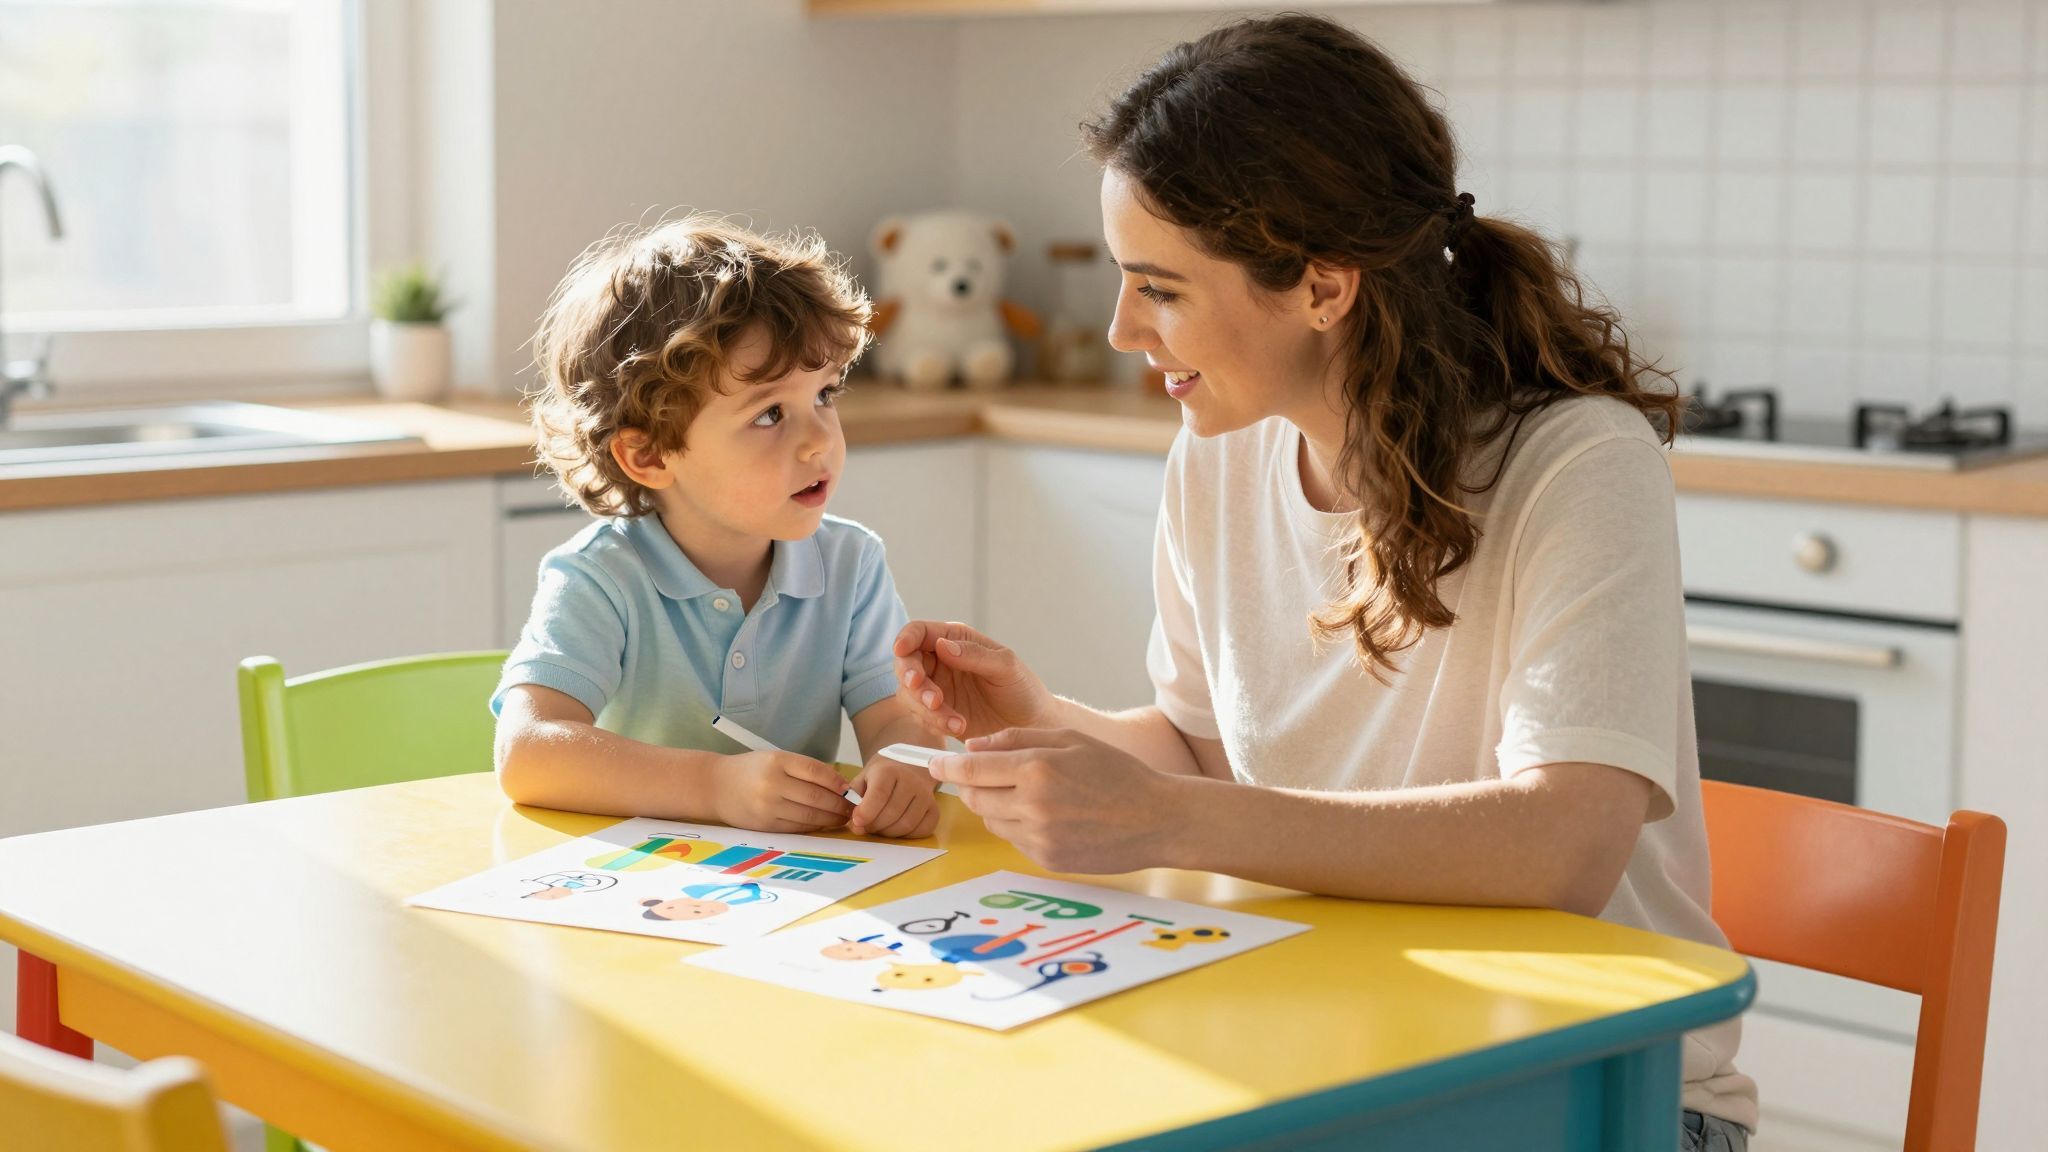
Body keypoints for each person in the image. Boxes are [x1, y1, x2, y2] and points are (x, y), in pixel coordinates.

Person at [890, 15, 1753, 1147]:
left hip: (1605, 1093)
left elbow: (1564, 848)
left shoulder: (1574, 463)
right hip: (1345, 1038)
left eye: (1160, 287)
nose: (1118, 329)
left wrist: (1170, 818)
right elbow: (1202, 752)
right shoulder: (1216, 450)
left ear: (1321, 285)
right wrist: (1047, 729)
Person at [494, 215, 940, 840]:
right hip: (641, 885)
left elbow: (896, 713)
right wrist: (714, 787)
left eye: (825, 396)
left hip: (802, 887)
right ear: (649, 455)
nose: (819, 442)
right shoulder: (600, 576)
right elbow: (527, 753)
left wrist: (903, 767)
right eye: (769, 415)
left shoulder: (851, 563)